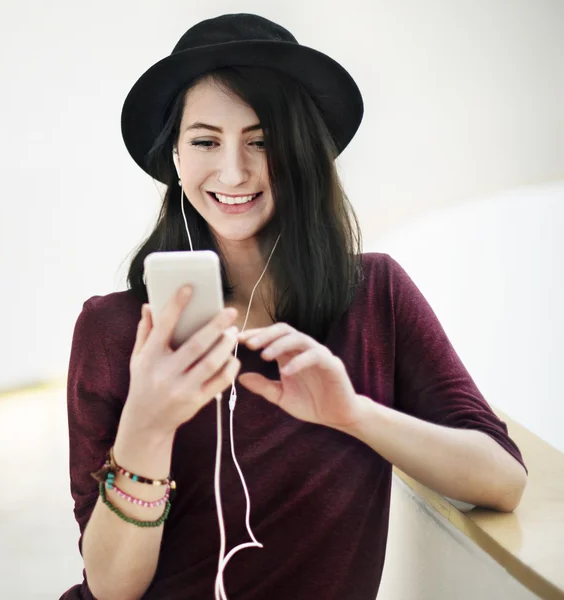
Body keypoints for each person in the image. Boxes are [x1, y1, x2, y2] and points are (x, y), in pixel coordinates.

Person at [61, 13, 528, 600]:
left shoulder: (374, 294)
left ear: (304, 151)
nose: (233, 171)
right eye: (205, 141)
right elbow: (110, 587)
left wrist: (352, 414)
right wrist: (147, 427)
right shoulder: (112, 329)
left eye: (262, 141)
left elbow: (503, 480)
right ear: (175, 159)